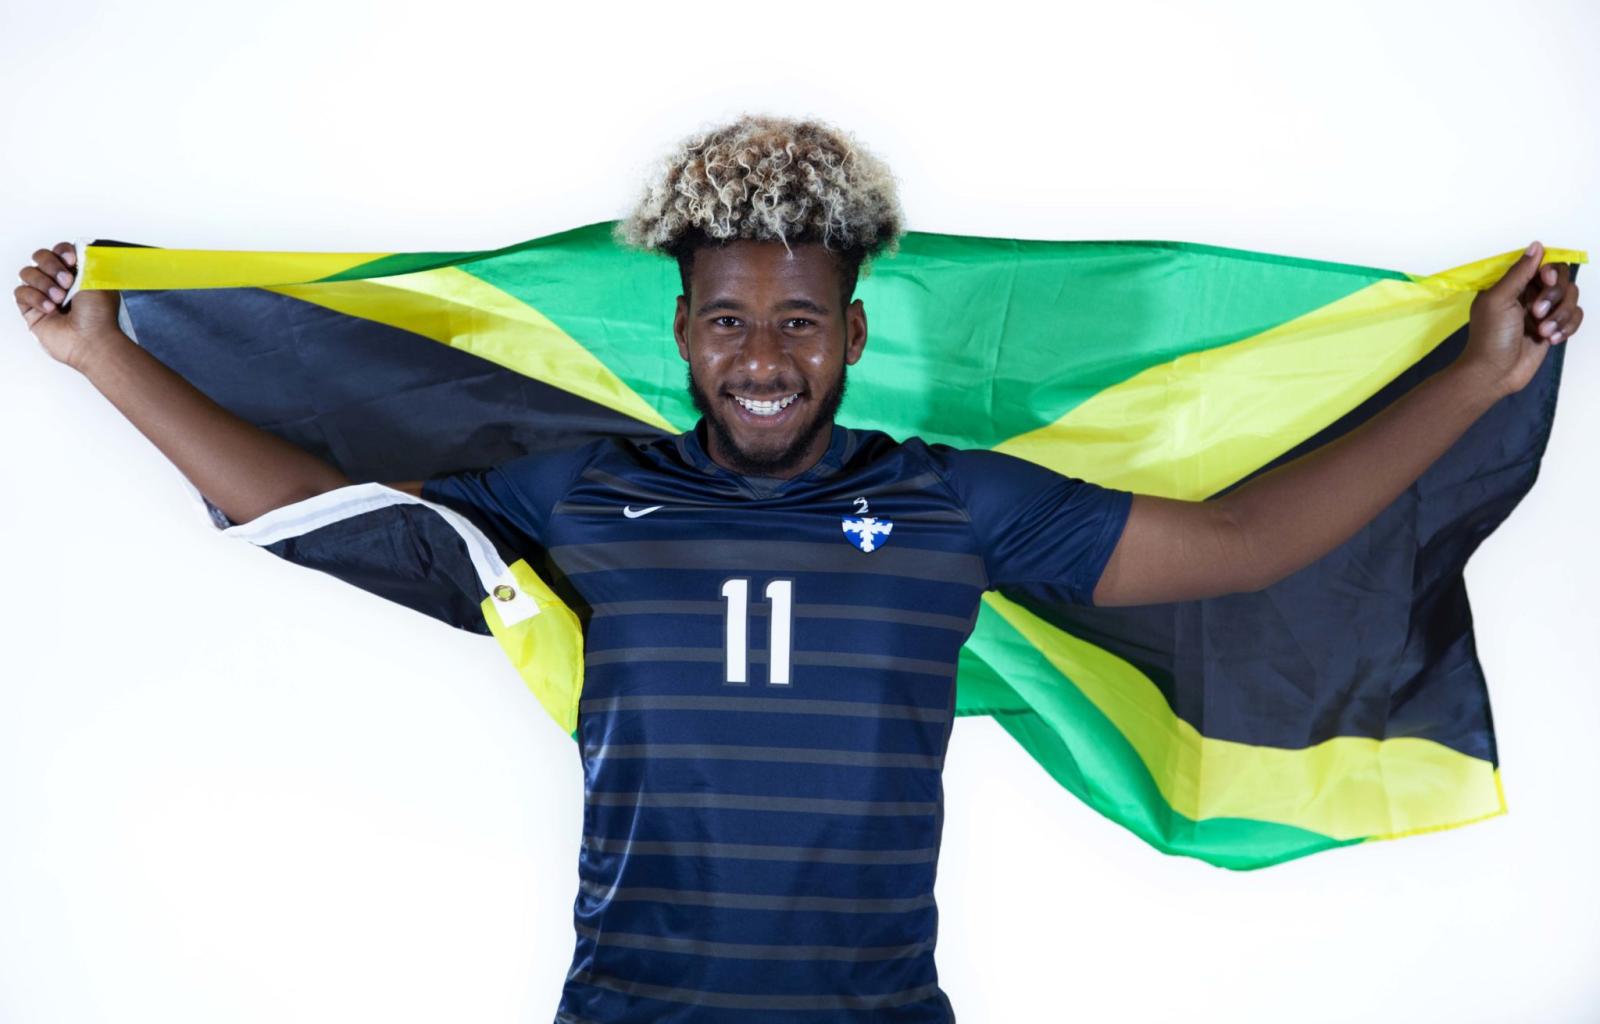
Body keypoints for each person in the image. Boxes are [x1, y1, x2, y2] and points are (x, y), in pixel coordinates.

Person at [13, 114, 1584, 1023]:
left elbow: (1245, 544)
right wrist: (101, 359)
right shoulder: (581, 496)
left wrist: (1472, 376)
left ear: (852, 329)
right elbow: (320, 502)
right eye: (728, 321)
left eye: (800, 321)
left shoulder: (951, 505)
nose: (764, 357)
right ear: (683, 332)